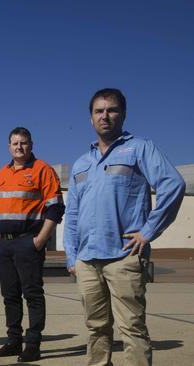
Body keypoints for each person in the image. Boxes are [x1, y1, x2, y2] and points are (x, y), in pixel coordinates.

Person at [64, 88, 185, 366]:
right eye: (98, 111)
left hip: (124, 257)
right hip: (87, 260)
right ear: (91, 118)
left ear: (123, 114)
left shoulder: (140, 149)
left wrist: (148, 231)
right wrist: (72, 256)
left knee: (132, 329)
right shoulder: (82, 163)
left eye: (111, 110)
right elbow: (72, 214)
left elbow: (173, 184)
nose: (105, 116)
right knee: (96, 329)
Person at [0, 127, 65, 362]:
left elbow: (55, 207)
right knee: (9, 295)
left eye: (23, 143)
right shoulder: (2, 172)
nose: (19, 147)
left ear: (31, 145)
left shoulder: (43, 170)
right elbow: (1, 209)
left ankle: (32, 344)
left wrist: (41, 239)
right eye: (15, 143)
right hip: (5, 245)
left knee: (32, 294)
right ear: (9, 146)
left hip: (28, 242)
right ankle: (14, 340)